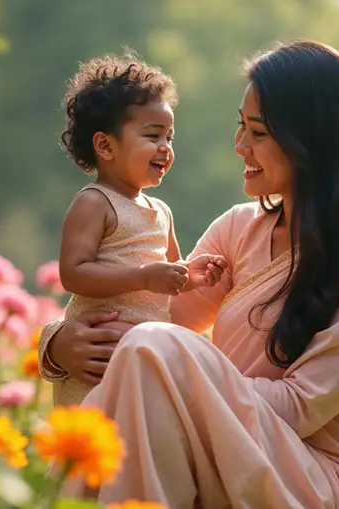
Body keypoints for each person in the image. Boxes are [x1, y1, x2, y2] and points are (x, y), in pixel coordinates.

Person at [38, 40, 339, 508]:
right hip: (229, 447)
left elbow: (299, 409)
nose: (239, 146)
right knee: (146, 358)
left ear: (309, 141)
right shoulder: (239, 228)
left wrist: (192, 385)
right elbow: (154, 321)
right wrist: (58, 345)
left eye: (257, 132)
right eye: (241, 126)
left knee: (152, 350)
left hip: (325, 483)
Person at [53, 53, 229, 406]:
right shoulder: (94, 202)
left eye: (170, 137)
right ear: (105, 145)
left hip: (144, 353)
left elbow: (171, 276)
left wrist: (192, 276)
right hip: (97, 356)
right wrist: (144, 277)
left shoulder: (160, 211)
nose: (165, 148)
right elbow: (73, 274)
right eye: (153, 136)